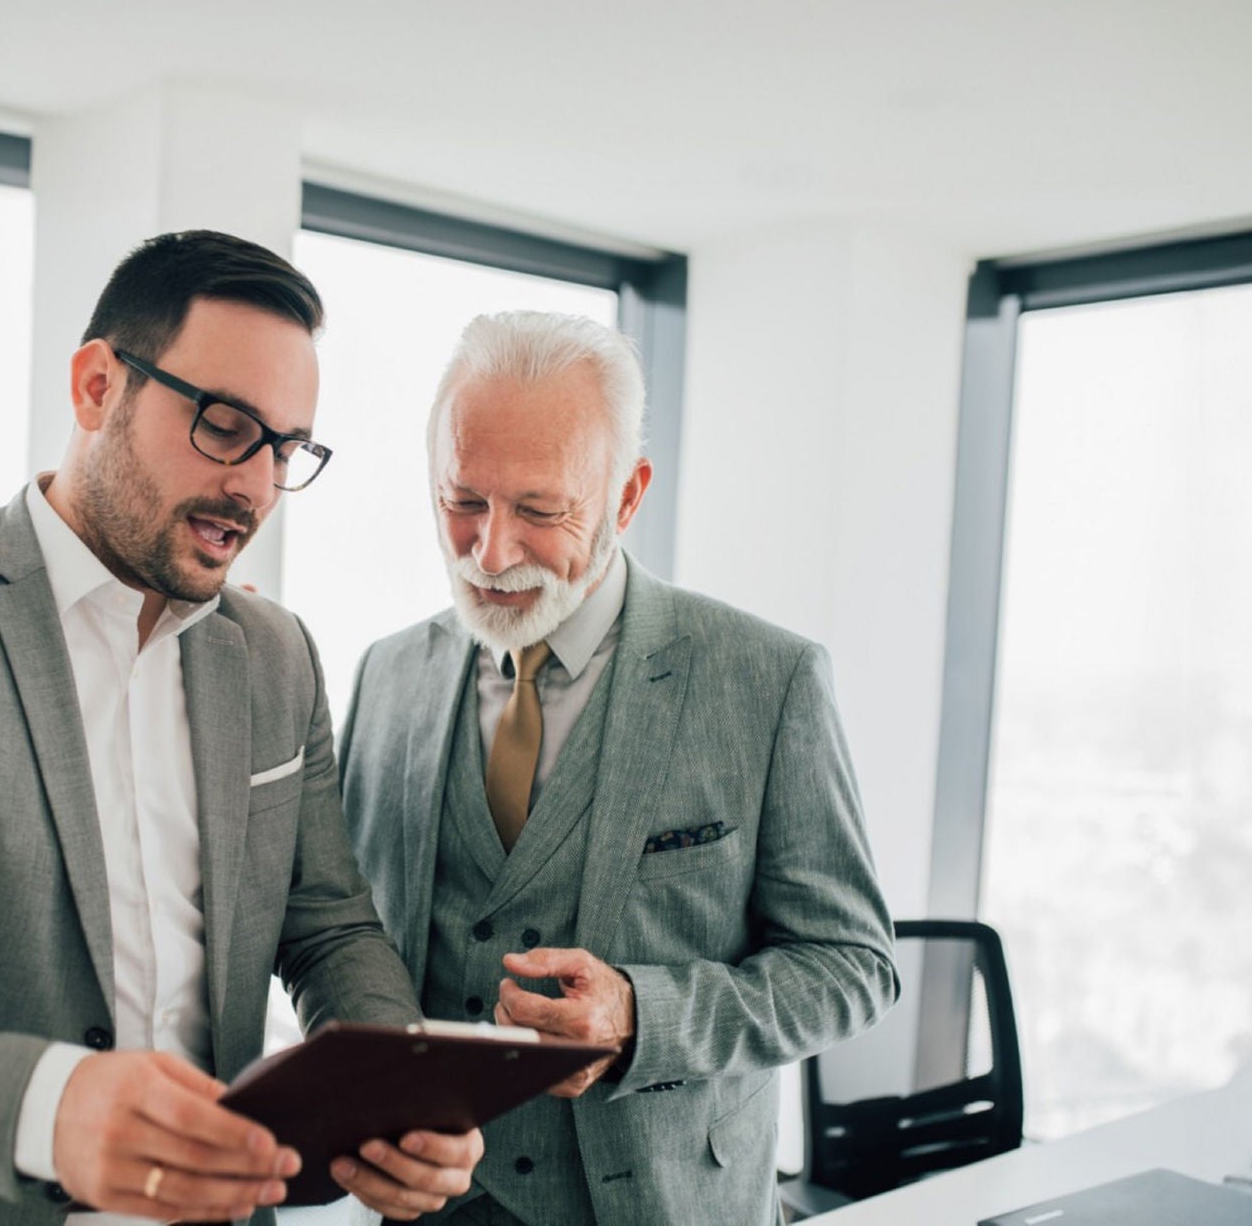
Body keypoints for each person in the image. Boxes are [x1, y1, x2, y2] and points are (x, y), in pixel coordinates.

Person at [0, 230, 481, 1225]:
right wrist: (47, 1105)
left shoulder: (275, 655)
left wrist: (396, 1092)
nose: (255, 487)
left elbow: (325, 927)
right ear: (97, 387)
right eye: (226, 425)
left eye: (286, 450)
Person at [340, 311, 899, 1225]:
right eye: (464, 501)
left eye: (539, 510)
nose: (490, 553)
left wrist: (645, 1013)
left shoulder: (767, 679)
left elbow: (853, 965)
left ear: (627, 495)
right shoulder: (386, 674)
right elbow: (343, 932)